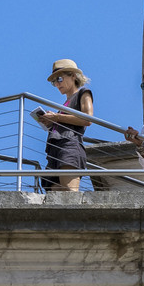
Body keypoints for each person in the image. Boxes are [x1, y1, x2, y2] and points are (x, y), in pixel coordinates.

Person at [34, 60, 93, 193]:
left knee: (69, 192)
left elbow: (88, 119)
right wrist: (51, 121)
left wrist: (56, 117)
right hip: (54, 148)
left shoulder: (83, 93)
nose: (56, 84)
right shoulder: (64, 104)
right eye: (54, 81)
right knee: (53, 192)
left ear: (73, 75)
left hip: (69, 145)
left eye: (59, 79)